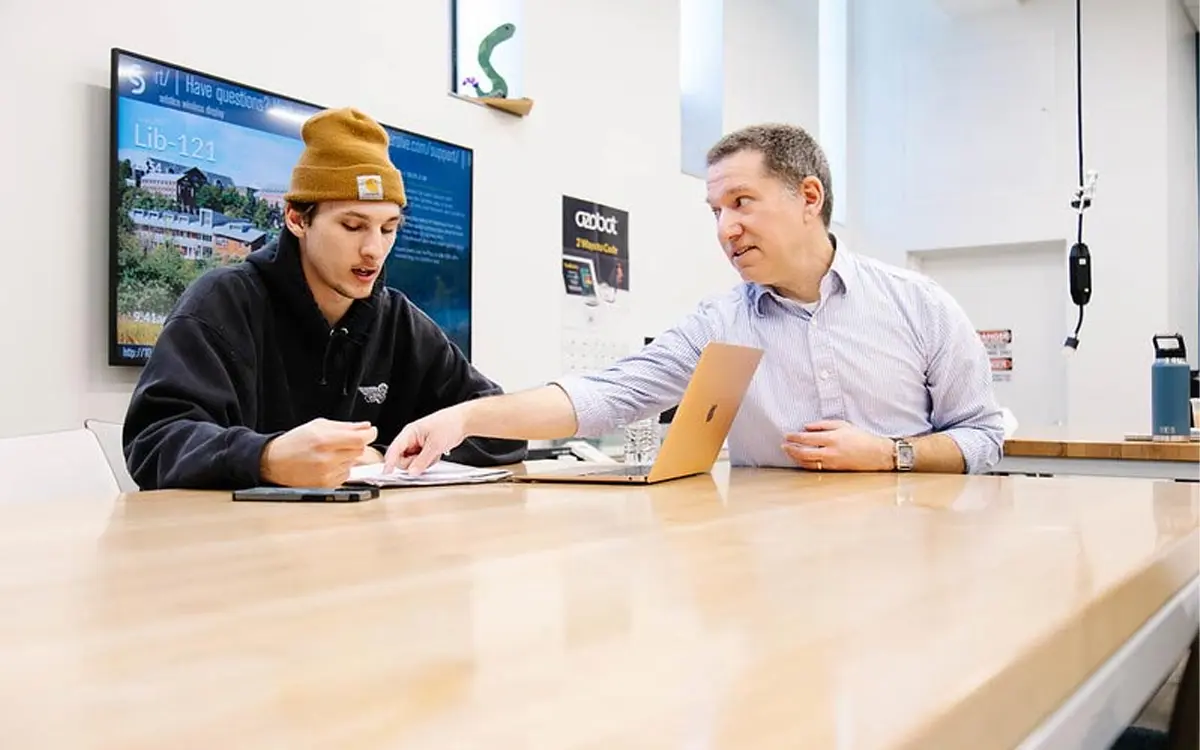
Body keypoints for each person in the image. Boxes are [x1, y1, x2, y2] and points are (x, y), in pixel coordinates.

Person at [384, 122, 1005, 477]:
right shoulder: (720, 323)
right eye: (715, 212)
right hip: (776, 564)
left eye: (742, 203)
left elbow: (982, 436)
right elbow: (610, 394)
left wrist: (888, 455)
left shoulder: (920, 305)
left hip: (911, 556)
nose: (725, 230)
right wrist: (465, 417)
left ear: (808, 197)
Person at [123, 107, 526, 490]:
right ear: (297, 219)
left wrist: (384, 456)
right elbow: (153, 441)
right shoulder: (222, 302)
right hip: (242, 547)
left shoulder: (399, 320)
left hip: (366, 546)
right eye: (353, 226)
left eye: (389, 229)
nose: (374, 249)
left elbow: (504, 429)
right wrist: (266, 457)